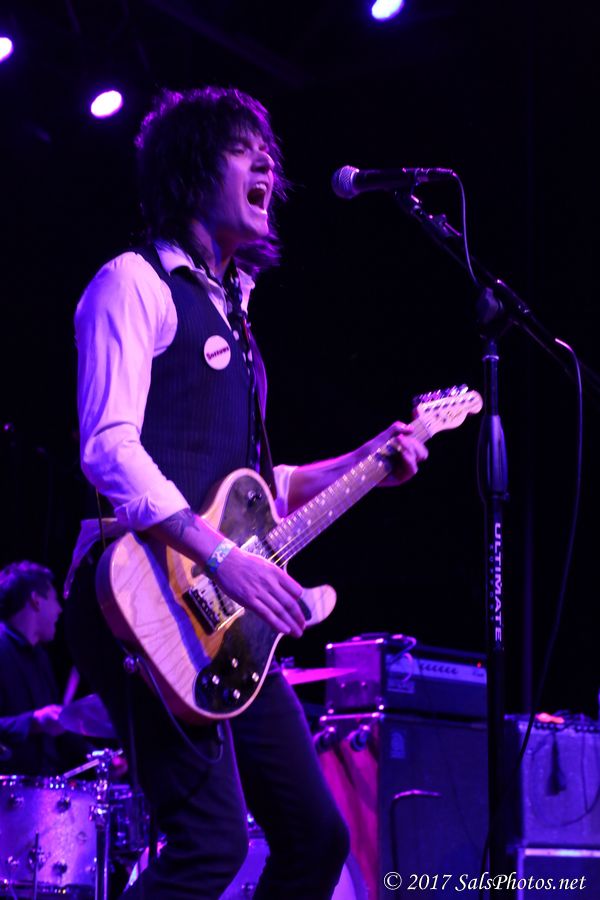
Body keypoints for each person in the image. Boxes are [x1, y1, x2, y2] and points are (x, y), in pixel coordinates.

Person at [64, 86, 428, 899]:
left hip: (220, 613)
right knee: (209, 843)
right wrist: (225, 557)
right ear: (192, 169)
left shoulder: (238, 317)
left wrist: (370, 458)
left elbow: (263, 488)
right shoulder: (134, 283)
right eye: (241, 147)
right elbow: (109, 448)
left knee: (316, 838)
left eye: (268, 152)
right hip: (136, 591)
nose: (266, 161)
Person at [0, 560, 89, 775]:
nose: (59, 609)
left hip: (42, 790)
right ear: (36, 600)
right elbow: (39, 722)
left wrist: (93, 756)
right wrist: (32, 722)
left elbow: (54, 728)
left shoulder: (40, 656)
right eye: (55, 599)